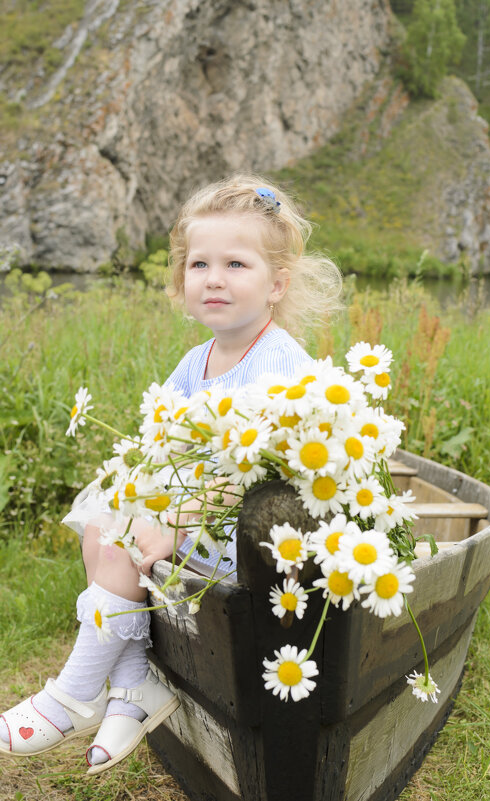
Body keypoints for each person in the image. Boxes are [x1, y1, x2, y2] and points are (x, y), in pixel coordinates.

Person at [0, 174, 343, 773]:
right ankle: (134, 687)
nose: (213, 278)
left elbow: (255, 473)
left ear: (276, 284)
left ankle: (76, 693)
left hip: (257, 540)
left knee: (126, 540)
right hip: (195, 514)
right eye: (198, 264)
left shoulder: (282, 364)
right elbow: (167, 452)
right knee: (102, 528)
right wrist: (145, 507)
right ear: (182, 281)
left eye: (236, 264)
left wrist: (174, 526)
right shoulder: (197, 361)